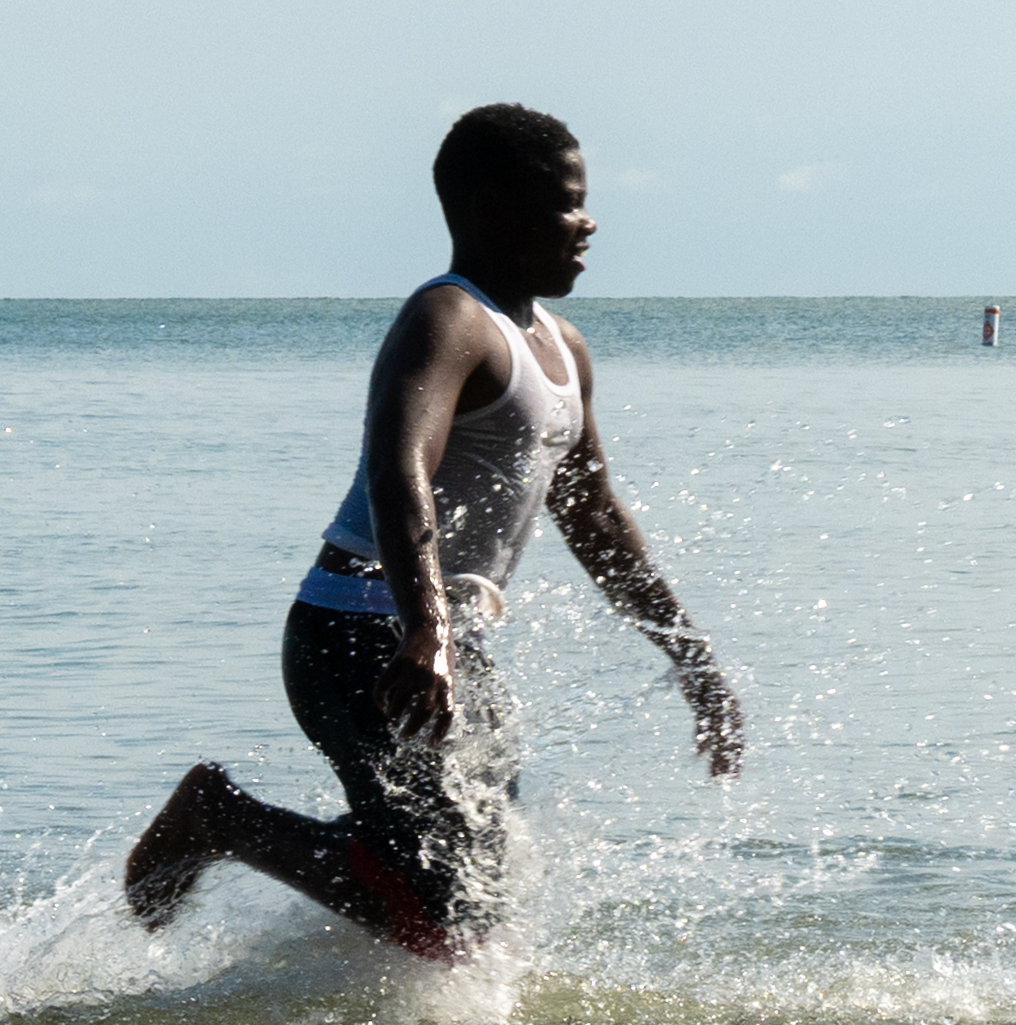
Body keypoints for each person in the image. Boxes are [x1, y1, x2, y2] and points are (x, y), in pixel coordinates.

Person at [125, 103, 741, 958]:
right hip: (360, 630)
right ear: (493, 210)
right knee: (446, 907)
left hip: (440, 634)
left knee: (478, 886)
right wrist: (427, 632)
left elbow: (596, 518)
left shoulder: (561, 346)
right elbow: (396, 473)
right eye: (566, 203)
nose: (587, 222)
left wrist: (688, 654)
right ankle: (222, 821)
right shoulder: (447, 322)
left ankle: (348, 1007)